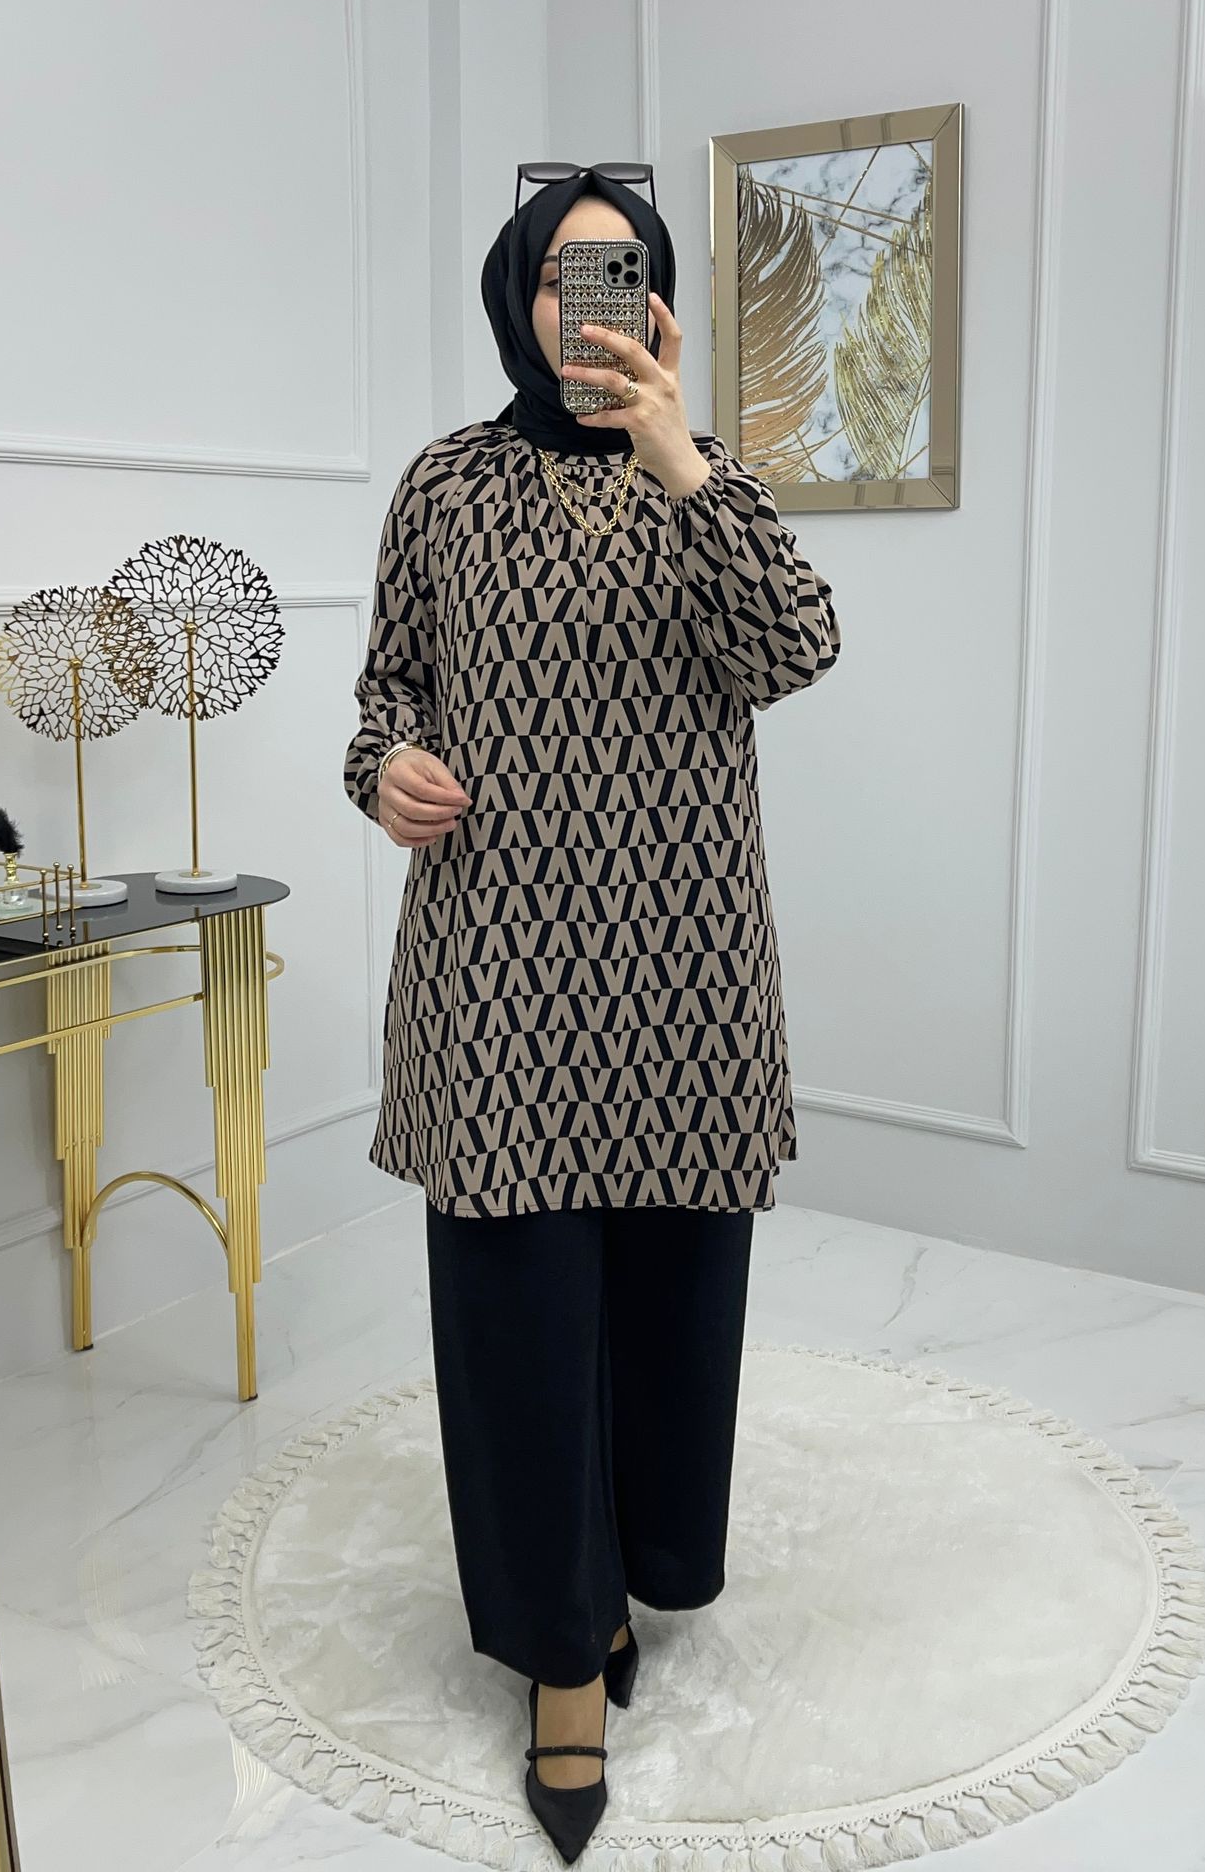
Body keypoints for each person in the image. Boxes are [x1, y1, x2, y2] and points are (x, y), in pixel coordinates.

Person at [341, 163, 840, 1862]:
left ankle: (633, 1573)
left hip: (680, 972)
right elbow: (387, 691)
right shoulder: (444, 484)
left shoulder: (710, 481)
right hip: (497, 969)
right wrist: (383, 771)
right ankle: (561, 1656)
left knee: (666, 1309)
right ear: (515, 297)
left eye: (619, 272)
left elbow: (793, 649)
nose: (586, 305)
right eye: (561, 276)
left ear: (660, 300)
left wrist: (677, 451)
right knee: (518, 1322)